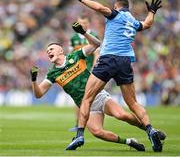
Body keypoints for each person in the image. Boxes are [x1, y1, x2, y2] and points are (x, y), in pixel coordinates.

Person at [30, 22, 155, 152]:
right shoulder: (52, 73)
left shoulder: (75, 56)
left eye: (51, 49)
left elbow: (96, 44)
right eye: (47, 51)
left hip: (99, 96)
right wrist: (34, 80)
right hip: (86, 106)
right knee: (97, 132)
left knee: (122, 115)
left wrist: (83, 32)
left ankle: (149, 129)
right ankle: (130, 141)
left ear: (60, 50)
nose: (48, 51)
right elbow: (38, 94)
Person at [67, 0, 166, 152]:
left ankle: (79, 135)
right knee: (133, 103)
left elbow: (99, 7)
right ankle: (150, 129)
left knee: (87, 97)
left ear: (116, 6)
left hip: (108, 59)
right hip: (125, 61)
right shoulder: (133, 21)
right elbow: (147, 24)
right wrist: (152, 12)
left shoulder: (115, 15)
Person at [69, 14, 99, 132]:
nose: (82, 25)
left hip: (90, 72)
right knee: (78, 99)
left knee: (92, 99)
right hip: (77, 72)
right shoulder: (73, 38)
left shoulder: (93, 36)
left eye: (84, 23)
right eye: (80, 23)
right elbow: (71, 54)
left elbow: (97, 53)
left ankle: (93, 123)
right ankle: (78, 124)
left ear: (89, 23)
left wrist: (95, 68)